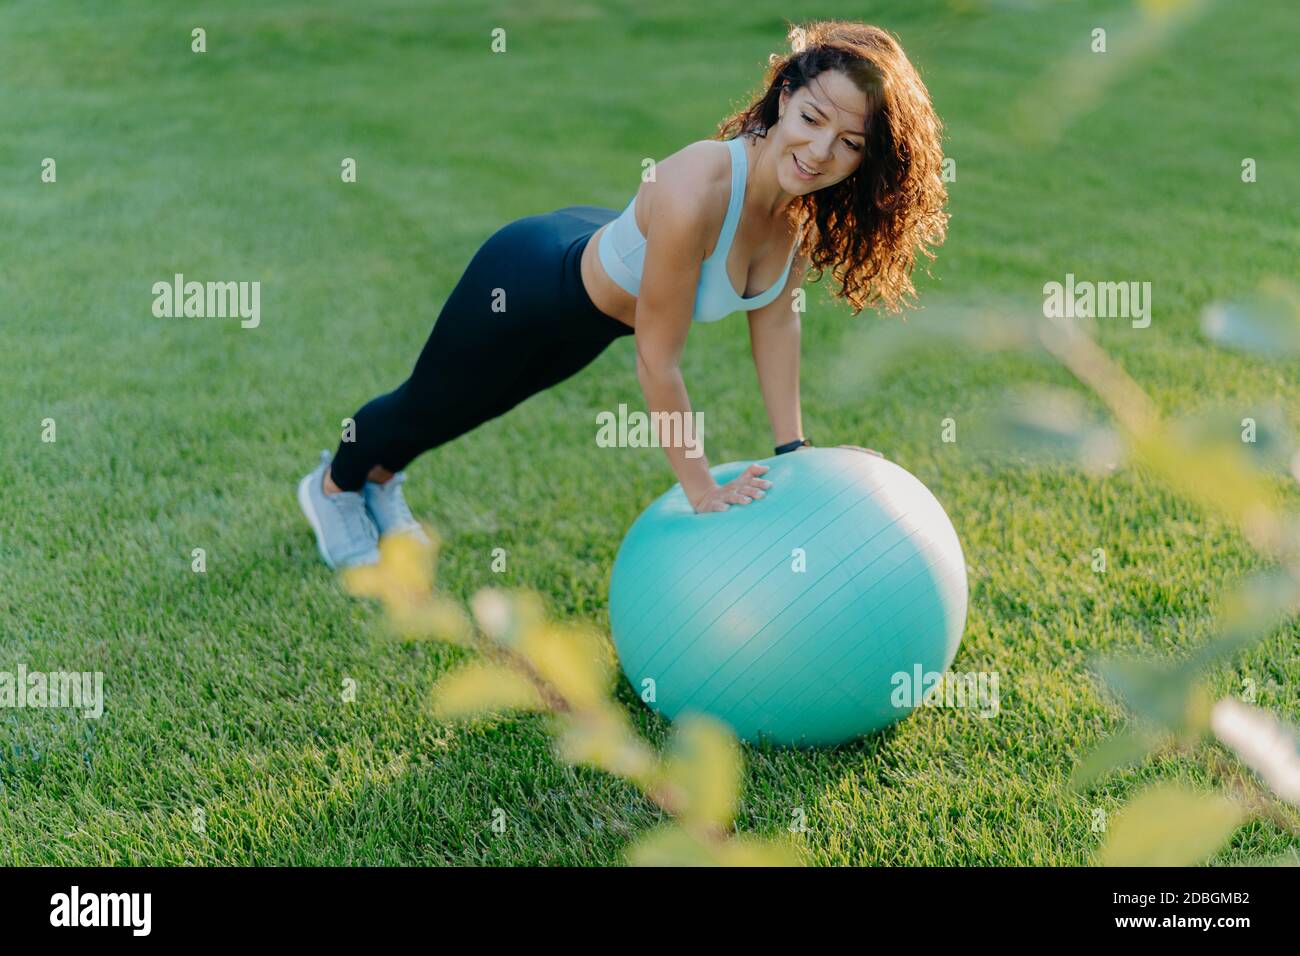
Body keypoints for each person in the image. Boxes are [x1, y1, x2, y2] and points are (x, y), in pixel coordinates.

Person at [299, 19, 948, 569]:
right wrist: (701, 488)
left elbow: (776, 327)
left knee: (477, 407)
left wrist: (794, 450)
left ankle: (380, 483)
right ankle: (333, 486)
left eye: (850, 144)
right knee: (429, 402)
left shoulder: (797, 219)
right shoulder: (699, 187)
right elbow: (658, 361)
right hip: (529, 284)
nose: (819, 151)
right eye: (812, 118)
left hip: (592, 314)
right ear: (784, 97)